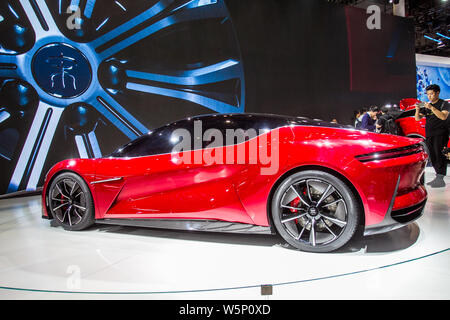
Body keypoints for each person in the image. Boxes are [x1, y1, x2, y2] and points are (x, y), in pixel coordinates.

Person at [415, 84, 449, 188]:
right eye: (428, 94)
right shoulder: (427, 106)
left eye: (432, 94)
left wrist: (432, 108)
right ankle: (437, 177)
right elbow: (417, 118)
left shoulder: (444, 104)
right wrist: (417, 109)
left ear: (437, 93)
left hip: (441, 134)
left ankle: (440, 178)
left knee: (439, 156)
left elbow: (443, 116)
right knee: (433, 156)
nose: (429, 96)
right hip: (429, 134)